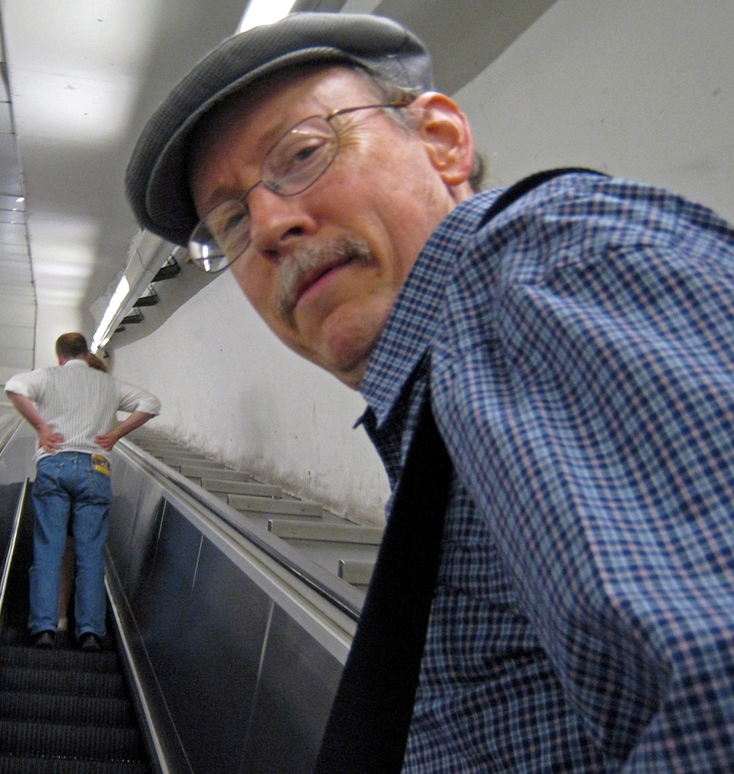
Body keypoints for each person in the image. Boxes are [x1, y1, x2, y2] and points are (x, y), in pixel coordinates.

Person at [125, 12, 734, 772]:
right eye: (231, 222)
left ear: (443, 142)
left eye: (303, 153)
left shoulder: (536, 273)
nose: (272, 223)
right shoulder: (444, 383)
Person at [6, 332, 160, 652]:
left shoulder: (49, 376)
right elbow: (151, 403)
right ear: (88, 354)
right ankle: (90, 632)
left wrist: (41, 428)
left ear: (59, 355)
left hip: (55, 464)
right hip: (96, 468)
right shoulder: (108, 384)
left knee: (49, 549)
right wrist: (116, 433)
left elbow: (15, 387)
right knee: (90, 554)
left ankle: (45, 629)